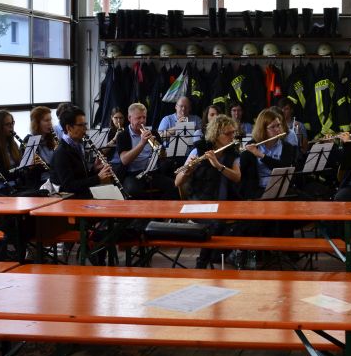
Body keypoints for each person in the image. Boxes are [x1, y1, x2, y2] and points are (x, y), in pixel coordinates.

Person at [176, 114, 243, 268]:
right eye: (228, 133)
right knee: (216, 223)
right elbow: (177, 182)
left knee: (244, 222)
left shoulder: (232, 153)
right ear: (216, 134)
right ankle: (202, 262)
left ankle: (216, 256)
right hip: (200, 202)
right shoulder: (199, 151)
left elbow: (237, 177)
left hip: (223, 202)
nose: (232, 137)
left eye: (233, 133)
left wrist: (218, 166)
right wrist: (188, 171)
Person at [112, 102, 179, 199]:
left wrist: (159, 148)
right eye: (138, 118)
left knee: (173, 186)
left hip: (152, 172)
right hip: (132, 174)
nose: (142, 121)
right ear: (129, 118)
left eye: (144, 117)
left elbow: (163, 155)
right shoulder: (123, 135)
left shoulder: (153, 133)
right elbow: (124, 160)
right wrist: (142, 143)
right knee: (133, 190)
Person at [50, 106, 118, 199]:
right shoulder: (61, 153)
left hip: (82, 195)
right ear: (69, 128)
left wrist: (94, 169)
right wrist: (98, 178)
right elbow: (69, 187)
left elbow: (81, 178)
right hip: (70, 201)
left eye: (85, 124)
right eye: (81, 125)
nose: (85, 128)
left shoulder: (77, 146)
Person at [239, 108, 299, 200]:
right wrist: (243, 154)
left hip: (281, 189)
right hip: (258, 190)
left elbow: (283, 168)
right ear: (263, 129)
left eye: (278, 125)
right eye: (272, 127)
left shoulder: (287, 147)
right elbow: (243, 173)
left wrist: (261, 155)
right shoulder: (252, 145)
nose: (277, 129)